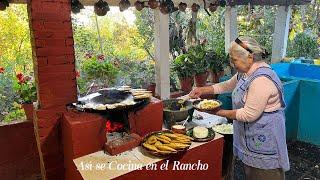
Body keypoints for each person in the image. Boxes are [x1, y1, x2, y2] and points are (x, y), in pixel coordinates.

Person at [189, 37, 289, 180]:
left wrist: (216, 112)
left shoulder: (261, 80)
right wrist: (203, 90)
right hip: (251, 137)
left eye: (234, 60)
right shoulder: (246, 72)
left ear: (250, 57)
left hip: (264, 142)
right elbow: (227, 85)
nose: (232, 64)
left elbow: (248, 114)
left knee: (264, 174)